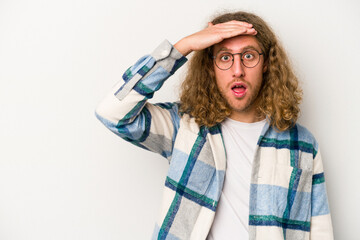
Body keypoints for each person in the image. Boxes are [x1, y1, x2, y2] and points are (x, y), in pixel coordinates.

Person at [95, 11, 333, 240]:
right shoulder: (183, 126)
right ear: (211, 67)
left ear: (267, 64)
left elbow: (319, 229)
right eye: (225, 57)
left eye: (248, 56)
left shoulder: (302, 144)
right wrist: (182, 48)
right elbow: (112, 112)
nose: (237, 70)